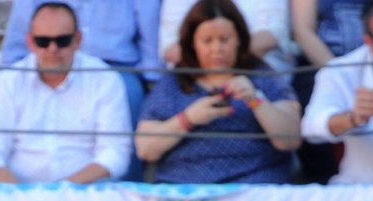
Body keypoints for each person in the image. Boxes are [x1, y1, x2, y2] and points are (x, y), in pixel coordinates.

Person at [136, 0, 301, 183]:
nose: (217, 49)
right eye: (207, 41)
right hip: (185, 193)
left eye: (224, 39)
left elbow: (290, 140)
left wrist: (255, 100)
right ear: (192, 43)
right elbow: (145, 149)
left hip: (254, 189)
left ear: (239, 39)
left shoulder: (261, 75)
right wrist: (188, 119)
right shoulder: (174, 82)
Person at [0, 2, 133, 185]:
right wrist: (21, 195)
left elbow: (115, 154)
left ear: (78, 40)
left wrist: (62, 191)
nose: (53, 49)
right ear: (30, 42)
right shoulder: (9, 81)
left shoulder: (105, 79)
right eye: (43, 41)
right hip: (20, 198)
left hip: (87, 196)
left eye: (62, 41)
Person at [0, 0, 161, 122]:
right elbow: (18, 41)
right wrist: (8, 82)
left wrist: (153, 84)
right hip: (52, 62)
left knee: (130, 95)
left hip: (116, 68)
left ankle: (123, 167)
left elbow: (150, 38)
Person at [301, 0, 373, 183]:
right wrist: (353, 118)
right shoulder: (341, 71)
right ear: (368, 40)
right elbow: (312, 128)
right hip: (361, 188)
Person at [160, 0, 293, 68]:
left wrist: (224, 69)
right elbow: (171, 49)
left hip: (256, 79)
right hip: (192, 86)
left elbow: (269, 36)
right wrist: (212, 77)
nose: (217, 49)